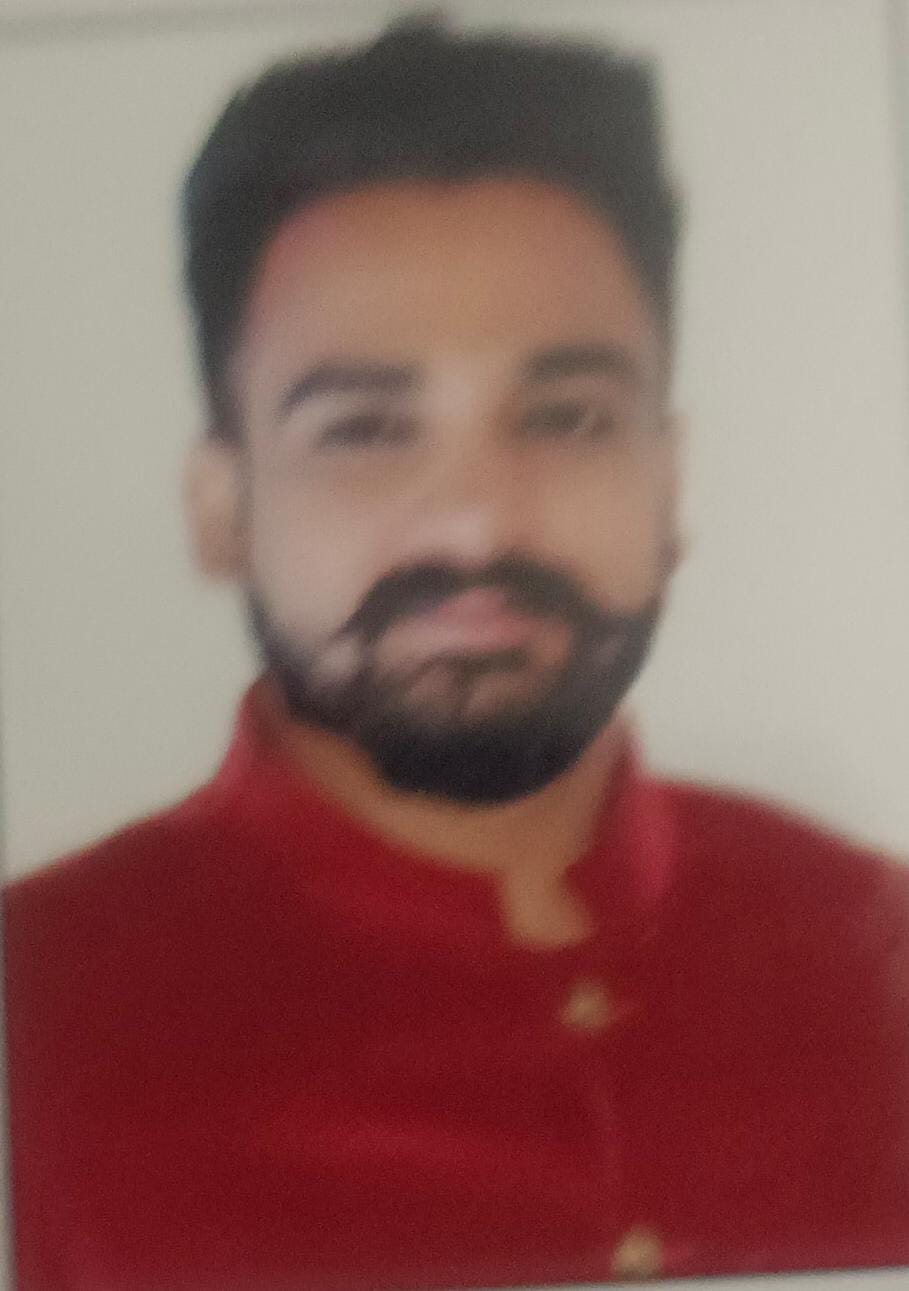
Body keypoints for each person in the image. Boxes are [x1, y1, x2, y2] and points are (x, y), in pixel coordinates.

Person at [4, 14, 908, 1291]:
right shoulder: (40, 1015)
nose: (479, 523)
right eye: (365, 429)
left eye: (568, 416)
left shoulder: (869, 947)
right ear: (222, 510)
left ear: (669, 481)